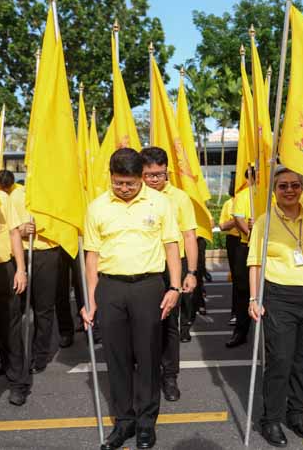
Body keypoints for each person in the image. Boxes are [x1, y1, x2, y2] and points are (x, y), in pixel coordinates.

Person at [82, 148, 182, 450]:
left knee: (149, 357)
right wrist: (92, 298)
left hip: (148, 287)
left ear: (141, 178)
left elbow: (171, 247)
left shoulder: (160, 202)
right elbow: (92, 256)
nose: (124, 189)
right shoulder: (97, 207)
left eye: (130, 183)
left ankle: (146, 424)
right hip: (111, 288)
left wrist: (174, 288)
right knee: (116, 358)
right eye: (118, 183)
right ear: (110, 177)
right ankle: (123, 423)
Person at [247, 166, 303, 447]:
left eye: (294, 185)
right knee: (280, 361)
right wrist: (254, 297)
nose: (289, 190)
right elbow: (255, 263)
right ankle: (271, 420)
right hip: (279, 297)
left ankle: (296, 413)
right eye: (282, 186)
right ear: (274, 190)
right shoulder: (264, 221)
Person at [140, 147, 198, 403]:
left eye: (159, 174)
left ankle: (170, 375)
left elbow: (189, 235)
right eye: (148, 174)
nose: (153, 179)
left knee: (169, 324)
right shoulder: (134, 196)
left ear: (167, 171)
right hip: (141, 267)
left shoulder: (180, 198)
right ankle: (145, 374)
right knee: (142, 323)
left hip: (172, 266)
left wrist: (192, 272)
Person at [11, 177, 62, 375]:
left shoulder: (55, 193)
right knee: (14, 309)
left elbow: (63, 224)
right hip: (18, 253)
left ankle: (39, 354)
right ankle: (14, 354)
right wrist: (21, 230)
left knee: (44, 308)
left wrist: (41, 226)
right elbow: (7, 226)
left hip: (47, 252)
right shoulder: (15, 195)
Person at [0, 187, 29, 405]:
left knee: (10, 327)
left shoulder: (2, 198)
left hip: (4, 269)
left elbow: (14, 233)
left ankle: (18, 383)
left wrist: (20, 269)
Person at [226, 169, 255, 348]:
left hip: (271, 250)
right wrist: (251, 232)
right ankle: (240, 331)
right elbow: (238, 218)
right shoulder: (243, 196)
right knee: (242, 290)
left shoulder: (273, 194)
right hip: (247, 247)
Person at [219, 181, 240, 325]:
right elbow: (222, 226)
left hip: (254, 241)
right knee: (238, 279)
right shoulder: (229, 203)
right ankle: (236, 312)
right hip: (235, 241)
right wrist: (237, 220)